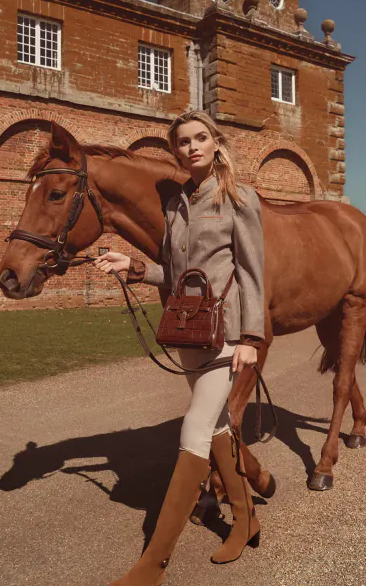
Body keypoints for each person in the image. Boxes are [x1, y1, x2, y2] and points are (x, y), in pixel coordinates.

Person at [94, 110, 266, 586]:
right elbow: (173, 275)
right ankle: (246, 518)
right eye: (183, 142)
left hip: (227, 334)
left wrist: (252, 337)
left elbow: (253, 274)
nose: (192, 147)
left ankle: (153, 564)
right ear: (176, 151)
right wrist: (131, 265)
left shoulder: (239, 198)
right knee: (217, 429)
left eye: (200, 138)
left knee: (193, 430)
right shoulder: (176, 205)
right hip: (189, 331)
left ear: (216, 143)